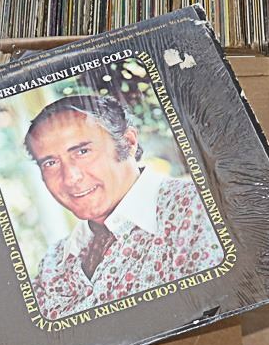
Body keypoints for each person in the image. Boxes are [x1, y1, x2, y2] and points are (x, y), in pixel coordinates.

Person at [26, 94, 223, 319]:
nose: (70, 177)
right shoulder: (52, 263)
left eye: (82, 152)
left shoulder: (197, 209)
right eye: (50, 163)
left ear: (128, 143)